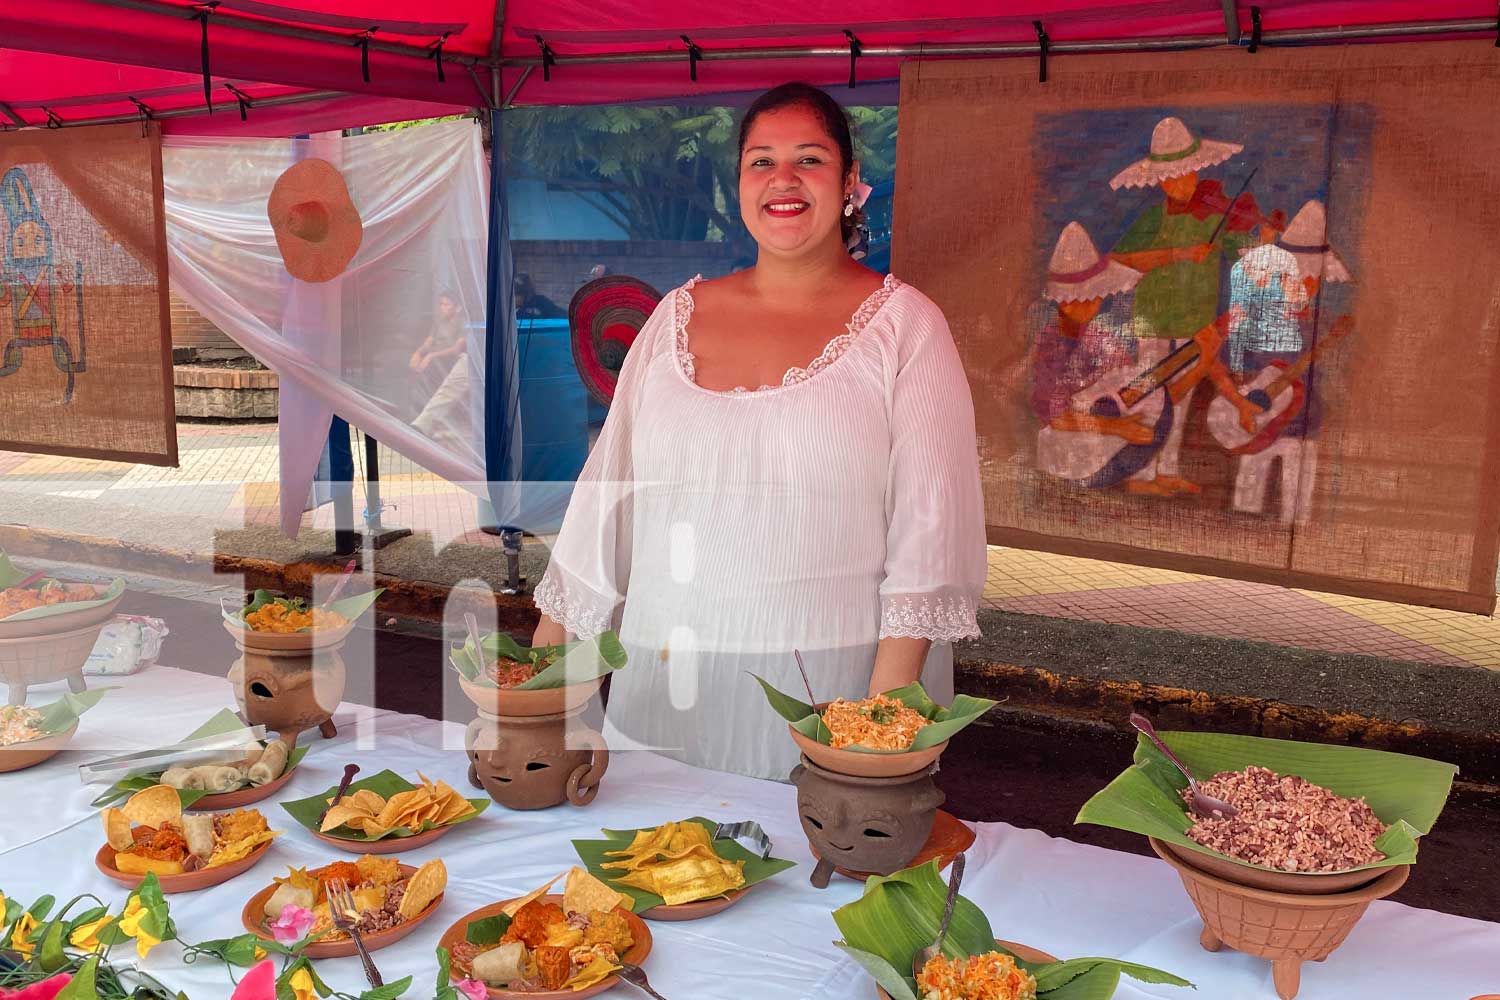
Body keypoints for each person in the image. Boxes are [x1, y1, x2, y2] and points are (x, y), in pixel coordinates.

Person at [530, 82, 986, 781]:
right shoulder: (673, 319)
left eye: (809, 159)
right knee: (657, 876)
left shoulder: (906, 327)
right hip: (664, 690)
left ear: (849, 185)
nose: (783, 180)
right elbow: (603, 509)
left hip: (829, 704)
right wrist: (536, 701)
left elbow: (929, 537)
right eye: (760, 161)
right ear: (739, 182)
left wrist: (877, 730)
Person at [1107, 116, 1277, 497]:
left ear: (1197, 172)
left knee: (1178, 400)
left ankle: (1164, 470)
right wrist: (1177, 253)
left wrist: (1263, 240)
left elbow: (1247, 257)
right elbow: (1122, 259)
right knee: (1152, 395)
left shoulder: (1215, 215)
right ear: (1161, 181)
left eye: (1186, 175)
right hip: (1152, 317)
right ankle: (1140, 471)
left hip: (1193, 316)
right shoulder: (1153, 217)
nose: (1180, 184)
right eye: (1170, 178)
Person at [408, 288, 466, 408]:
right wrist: (418, 353)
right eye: (441, 304)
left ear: (458, 307)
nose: (442, 308)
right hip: (433, 357)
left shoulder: (462, 323)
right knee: (411, 364)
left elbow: (456, 349)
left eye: (446, 304)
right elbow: (428, 342)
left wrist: (431, 356)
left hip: (448, 360)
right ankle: (416, 406)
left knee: (429, 369)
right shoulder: (439, 322)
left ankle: (426, 408)